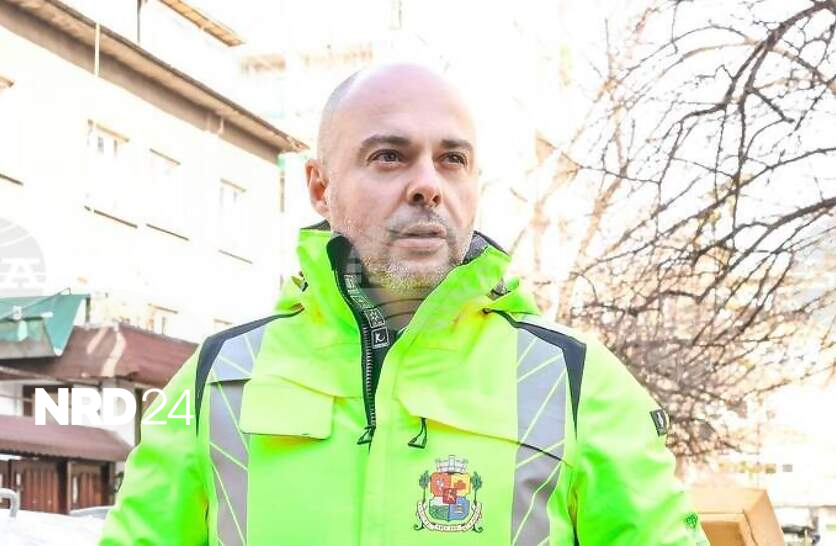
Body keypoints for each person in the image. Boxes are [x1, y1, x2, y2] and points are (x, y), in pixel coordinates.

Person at [100, 64, 709, 546]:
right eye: (389, 156)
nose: (427, 185)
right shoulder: (216, 376)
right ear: (320, 186)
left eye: (452, 159)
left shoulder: (579, 382)